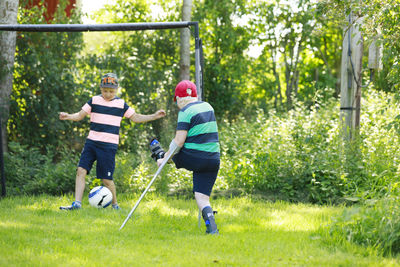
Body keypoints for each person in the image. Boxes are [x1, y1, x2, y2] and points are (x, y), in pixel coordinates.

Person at [60, 73, 166, 210]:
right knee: (81, 170)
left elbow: (136, 117)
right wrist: (68, 116)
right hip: (91, 143)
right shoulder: (94, 101)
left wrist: (154, 116)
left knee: (106, 180)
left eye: (111, 91)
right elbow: (79, 115)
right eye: (105, 91)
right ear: (100, 88)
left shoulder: (121, 104)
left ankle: (115, 205)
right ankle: (77, 204)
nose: (108, 94)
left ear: (116, 90)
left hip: (108, 146)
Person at [151, 80, 220, 234]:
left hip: (195, 157)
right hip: (213, 158)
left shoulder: (185, 111)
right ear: (195, 95)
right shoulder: (208, 106)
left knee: (173, 154)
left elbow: (179, 142)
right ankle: (212, 227)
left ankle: (160, 157)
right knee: (202, 197)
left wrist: (165, 159)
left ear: (179, 99)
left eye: (177, 101)